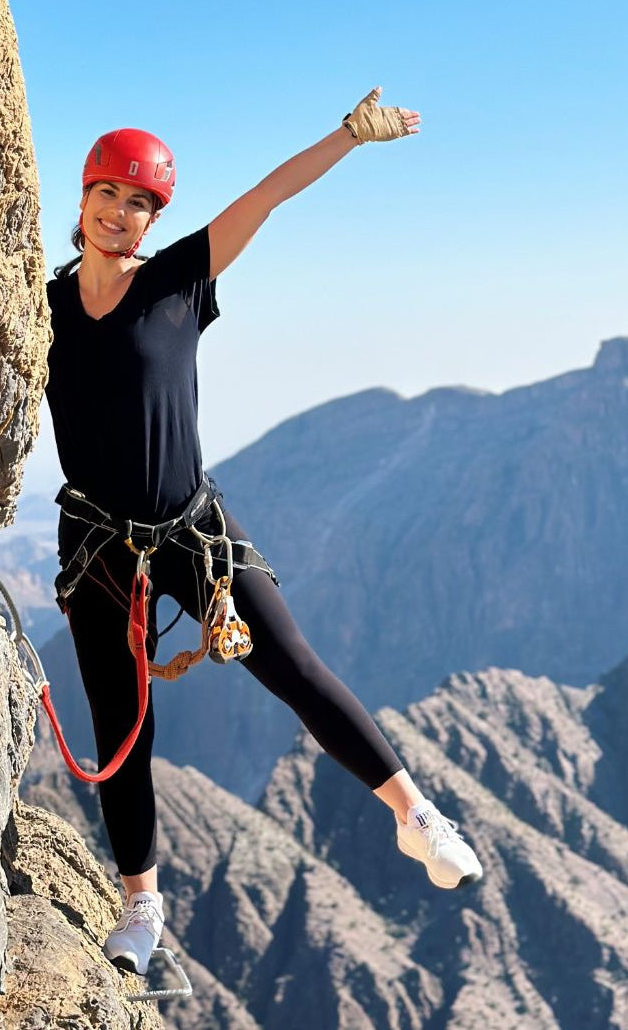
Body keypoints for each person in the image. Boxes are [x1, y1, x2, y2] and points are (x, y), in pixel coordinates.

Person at [44, 88, 483, 977]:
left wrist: (348, 138)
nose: (124, 214)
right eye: (112, 195)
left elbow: (268, 194)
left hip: (191, 530)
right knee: (122, 721)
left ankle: (414, 814)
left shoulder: (175, 284)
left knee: (293, 665)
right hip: (97, 544)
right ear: (83, 198)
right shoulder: (39, 304)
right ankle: (141, 903)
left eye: (141, 203)